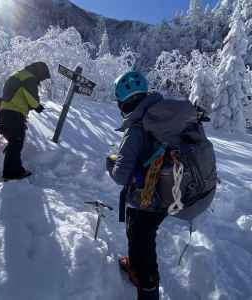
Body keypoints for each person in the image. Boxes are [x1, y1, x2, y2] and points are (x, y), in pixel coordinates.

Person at [106, 71, 164, 300]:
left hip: (148, 198)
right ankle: (135, 266)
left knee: (142, 241)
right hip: (169, 189)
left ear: (123, 103)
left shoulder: (137, 128)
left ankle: (147, 287)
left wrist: (111, 164)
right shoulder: (160, 115)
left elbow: (121, 176)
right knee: (141, 235)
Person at [0, 62, 51, 181]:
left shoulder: (18, 74)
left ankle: (12, 168)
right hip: (14, 113)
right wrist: (37, 106)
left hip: (5, 112)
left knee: (14, 142)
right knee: (16, 142)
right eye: (43, 77)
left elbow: (15, 93)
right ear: (39, 72)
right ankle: (12, 173)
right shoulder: (29, 78)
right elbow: (31, 96)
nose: (41, 80)